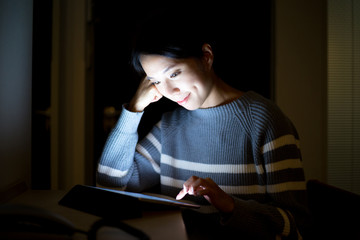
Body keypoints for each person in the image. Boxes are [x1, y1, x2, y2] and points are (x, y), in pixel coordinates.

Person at [96, 10, 310, 240]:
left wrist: (229, 205)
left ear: (206, 57)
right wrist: (134, 109)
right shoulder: (169, 127)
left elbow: (296, 229)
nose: (169, 91)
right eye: (156, 81)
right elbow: (110, 187)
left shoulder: (265, 121)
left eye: (175, 73)